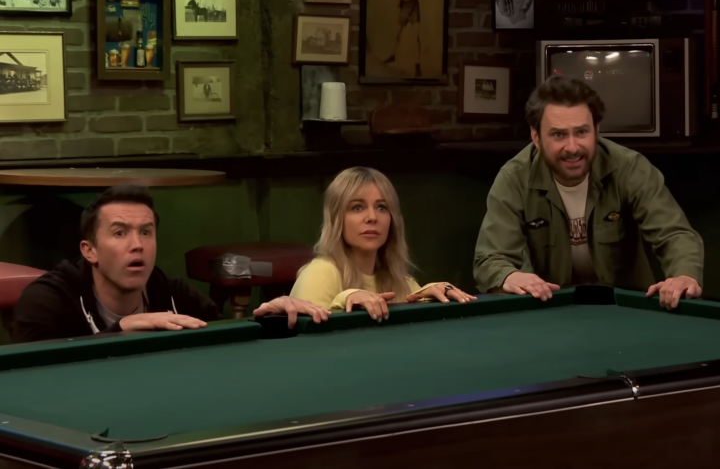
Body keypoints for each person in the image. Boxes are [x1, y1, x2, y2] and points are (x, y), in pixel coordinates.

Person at [473, 75, 705, 309]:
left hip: (626, 311)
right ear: (536, 138)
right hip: (548, 312)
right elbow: (490, 259)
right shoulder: (514, 178)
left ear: (596, 130)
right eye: (558, 135)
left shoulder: (629, 168)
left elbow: (675, 234)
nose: (573, 147)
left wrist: (685, 275)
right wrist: (508, 277)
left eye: (582, 132)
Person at [12, 185, 328, 343]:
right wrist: (118, 331)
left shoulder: (174, 296)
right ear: (89, 251)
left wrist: (265, 317)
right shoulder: (47, 301)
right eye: (120, 232)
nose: (137, 244)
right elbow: (31, 376)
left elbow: (225, 343)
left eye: (146, 232)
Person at [291, 167, 476, 320]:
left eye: (382, 207)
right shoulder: (319, 273)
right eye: (357, 208)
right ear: (336, 219)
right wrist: (346, 299)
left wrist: (436, 296)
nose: (372, 217)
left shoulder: (400, 281)